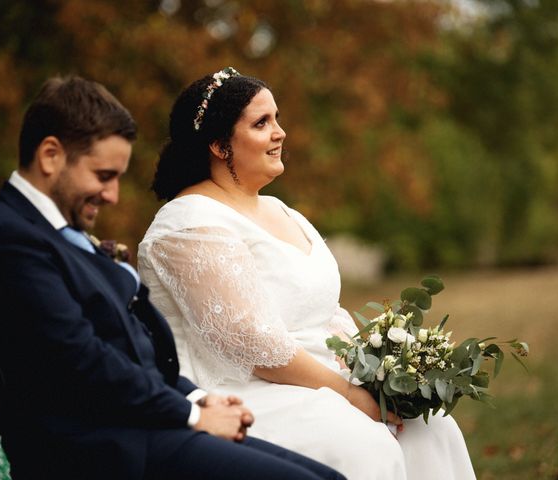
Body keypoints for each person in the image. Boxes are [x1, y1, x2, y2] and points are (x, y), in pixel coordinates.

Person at [0, 75, 346, 480]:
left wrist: (197, 398)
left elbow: (131, 351)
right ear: (51, 155)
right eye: (104, 175)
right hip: (102, 450)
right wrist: (193, 414)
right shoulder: (10, 240)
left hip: (145, 424)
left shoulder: (51, 231)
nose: (112, 197)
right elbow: (85, 361)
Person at [138, 67, 477, 480]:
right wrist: (350, 394)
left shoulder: (283, 211)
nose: (280, 132)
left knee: (431, 429)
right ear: (217, 143)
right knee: (363, 446)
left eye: (277, 119)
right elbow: (256, 347)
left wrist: (381, 371)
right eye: (261, 123)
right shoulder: (187, 223)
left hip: (322, 376)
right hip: (249, 393)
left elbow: (325, 310)